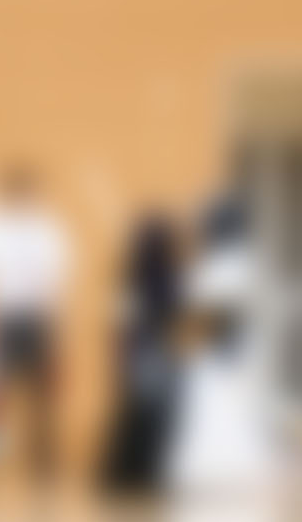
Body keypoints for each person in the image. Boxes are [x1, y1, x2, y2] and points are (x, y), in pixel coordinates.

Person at [168, 180, 280, 493]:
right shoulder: (249, 264)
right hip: (240, 351)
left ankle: (221, 472)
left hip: (225, 353)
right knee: (238, 412)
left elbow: (200, 307)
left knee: (219, 412)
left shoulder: (218, 268)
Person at [0, 161, 72, 479]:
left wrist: (57, 328)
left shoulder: (45, 230)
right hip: (7, 317)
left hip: (29, 317)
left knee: (39, 396)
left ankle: (41, 463)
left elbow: (56, 282)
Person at [97, 212, 184, 495]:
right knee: (146, 416)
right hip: (149, 353)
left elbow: (122, 322)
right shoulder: (156, 280)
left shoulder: (140, 278)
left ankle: (138, 475)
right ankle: (137, 475)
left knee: (144, 416)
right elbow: (125, 322)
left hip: (150, 352)